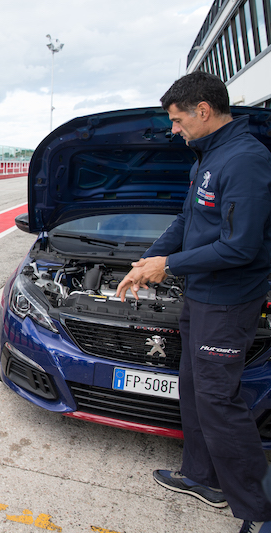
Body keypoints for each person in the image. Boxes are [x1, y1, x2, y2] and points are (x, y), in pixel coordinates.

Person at [115, 72, 271, 533]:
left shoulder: (245, 161)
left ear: (203, 110)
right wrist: (146, 260)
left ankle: (260, 511)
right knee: (194, 389)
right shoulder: (208, 157)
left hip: (228, 301)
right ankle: (203, 477)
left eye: (178, 121)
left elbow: (241, 247)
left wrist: (170, 266)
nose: (174, 130)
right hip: (201, 296)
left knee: (219, 402)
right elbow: (186, 220)